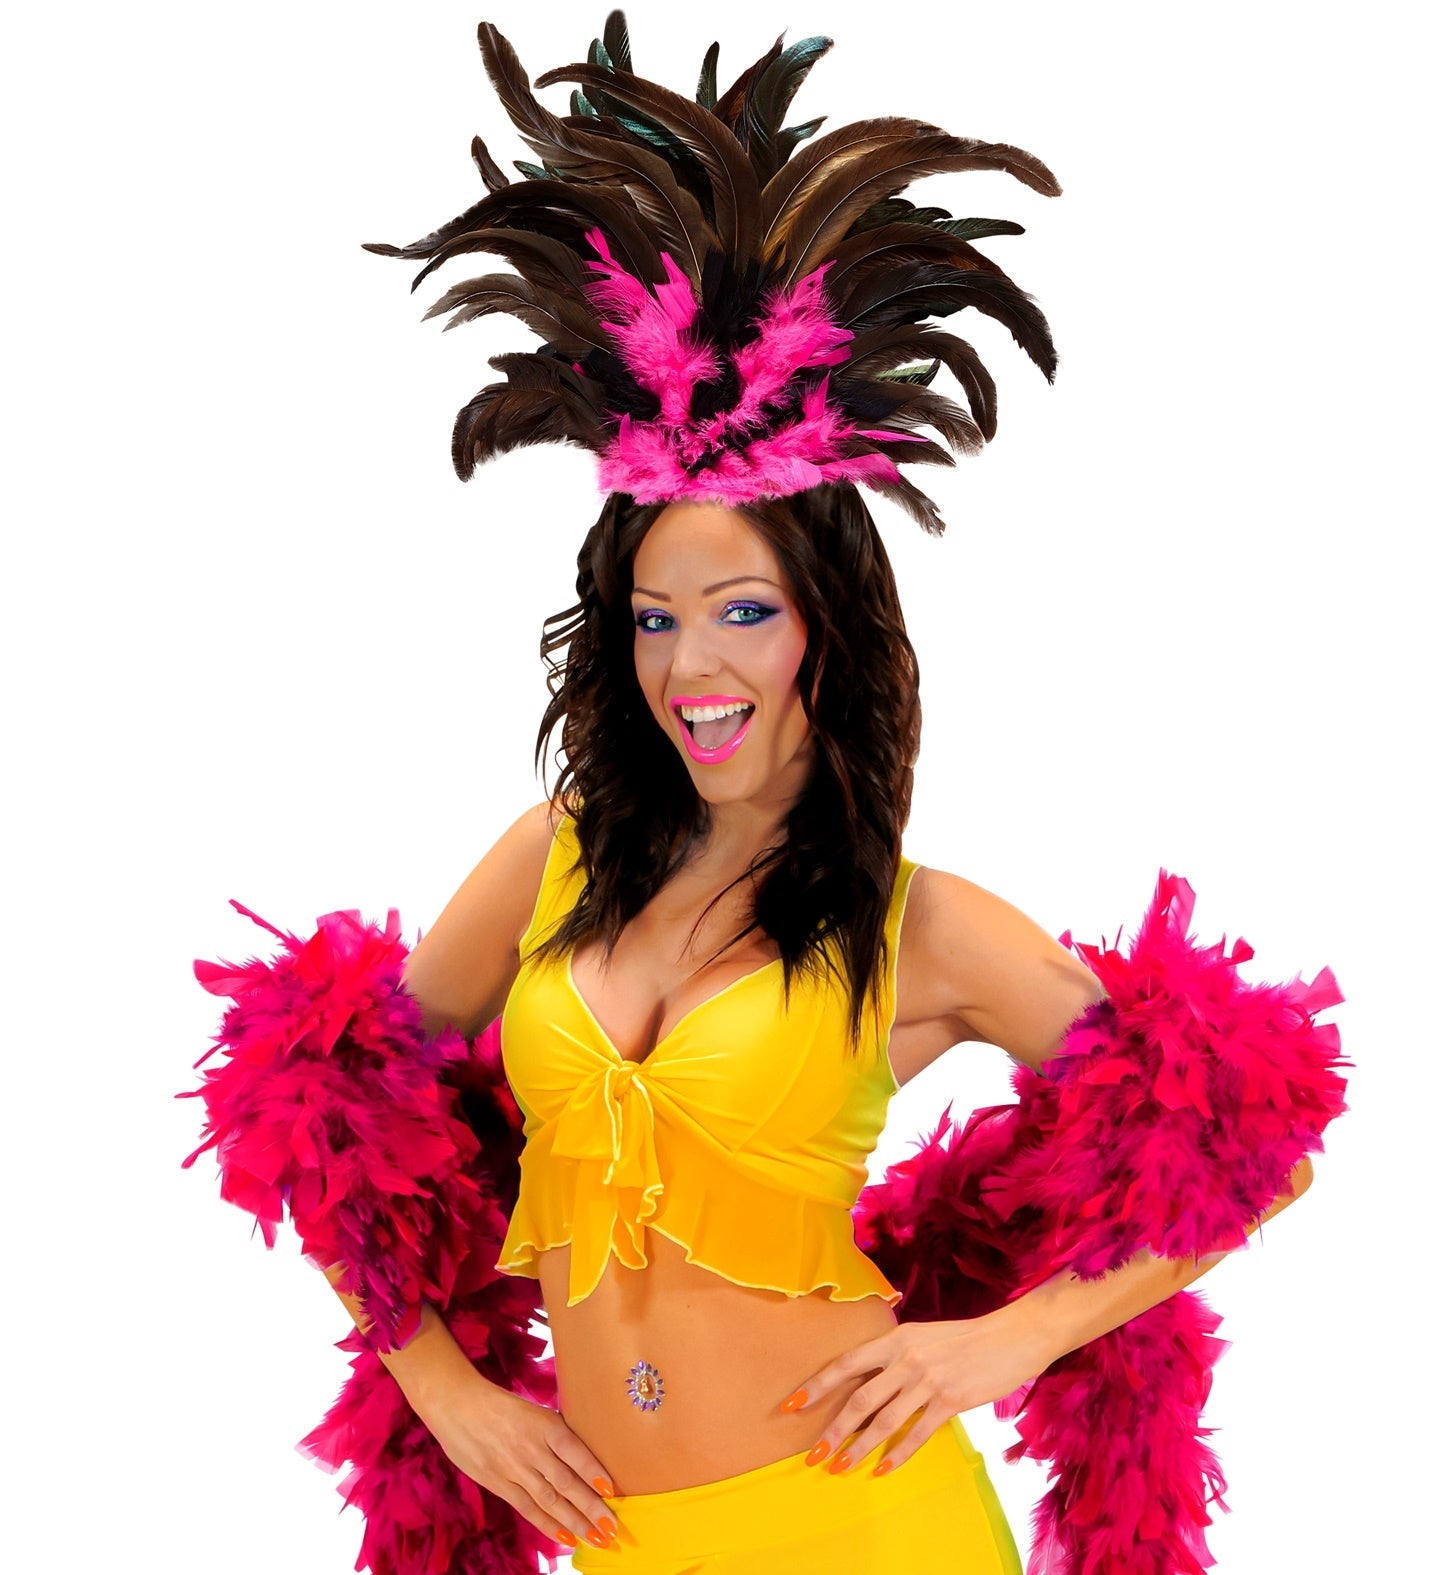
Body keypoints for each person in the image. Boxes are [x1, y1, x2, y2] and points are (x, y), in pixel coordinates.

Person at [182, 14, 1349, 1575]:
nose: (692, 664)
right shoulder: (553, 857)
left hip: (858, 1518)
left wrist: (1002, 1341)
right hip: (616, 1532)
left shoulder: (918, 927)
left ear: (825, 631)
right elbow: (319, 1102)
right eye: (654, 619)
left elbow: (1255, 1147)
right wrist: (445, 1392)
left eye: (742, 611)